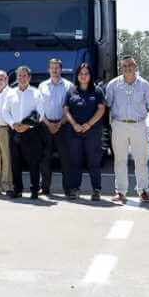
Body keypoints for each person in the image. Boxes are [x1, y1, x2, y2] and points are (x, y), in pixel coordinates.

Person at [104, 56, 149, 204]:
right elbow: (108, 104)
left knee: (141, 160)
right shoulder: (113, 85)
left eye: (130, 65)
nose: (127, 68)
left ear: (135, 66)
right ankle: (120, 192)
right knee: (120, 160)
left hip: (138, 125)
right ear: (121, 68)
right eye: (124, 66)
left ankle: (143, 190)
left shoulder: (144, 85)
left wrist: (139, 115)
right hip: (119, 125)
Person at [63, 63, 107, 200]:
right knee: (75, 162)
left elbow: (101, 110)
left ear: (90, 75)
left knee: (94, 162)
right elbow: (66, 110)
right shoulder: (71, 91)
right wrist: (74, 124)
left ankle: (96, 190)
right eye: (81, 74)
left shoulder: (97, 91)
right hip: (74, 131)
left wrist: (88, 124)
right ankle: (75, 189)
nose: (83, 76)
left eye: (86, 73)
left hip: (92, 132)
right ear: (77, 76)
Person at [2, 65, 44, 199]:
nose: (22, 78)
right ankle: (17, 189)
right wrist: (13, 124)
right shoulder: (10, 93)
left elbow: (41, 113)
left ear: (29, 77)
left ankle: (34, 190)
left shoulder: (36, 92)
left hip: (31, 132)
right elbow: (4, 111)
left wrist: (27, 126)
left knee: (34, 162)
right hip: (15, 131)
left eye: (25, 75)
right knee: (16, 162)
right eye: (20, 75)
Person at [38, 59, 73, 197]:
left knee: (65, 159)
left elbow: (70, 108)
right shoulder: (42, 86)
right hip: (45, 125)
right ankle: (44, 188)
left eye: (57, 68)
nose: (54, 70)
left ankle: (68, 189)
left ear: (61, 69)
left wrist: (59, 123)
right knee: (45, 159)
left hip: (63, 126)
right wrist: (48, 123)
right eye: (52, 68)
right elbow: (39, 108)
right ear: (49, 70)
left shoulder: (69, 86)